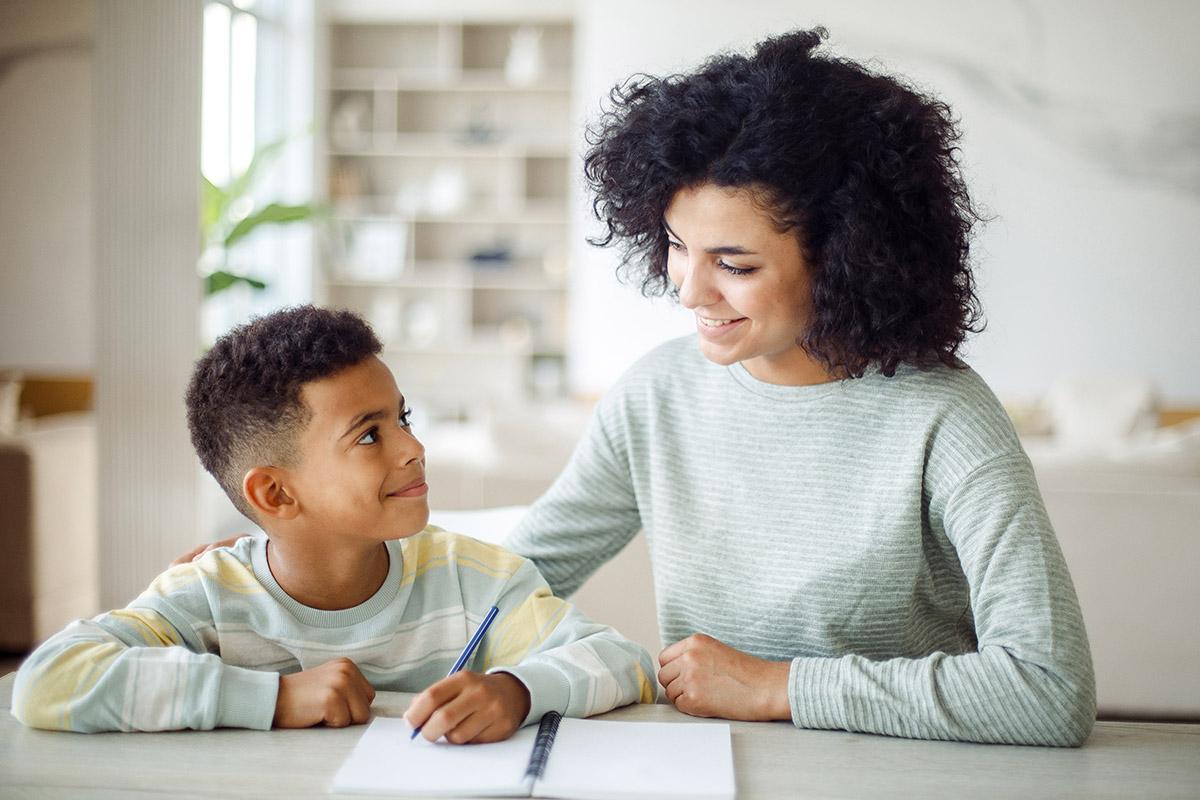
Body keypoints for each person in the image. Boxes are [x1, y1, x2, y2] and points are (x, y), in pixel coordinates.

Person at [175, 28, 1096, 747]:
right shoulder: (661, 393)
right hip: (705, 770)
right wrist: (302, 562)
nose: (688, 292)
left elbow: (1048, 690)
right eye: (678, 249)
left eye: (732, 263)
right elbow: (522, 567)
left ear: (851, 257)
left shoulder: (946, 419)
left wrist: (777, 686)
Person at [11, 306, 655, 738]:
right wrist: (276, 700)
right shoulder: (207, 593)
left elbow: (623, 663)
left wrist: (518, 690)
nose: (412, 448)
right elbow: (47, 681)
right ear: (276, 495)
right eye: (368, 436)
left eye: (401, 419)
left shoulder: (473, 578)